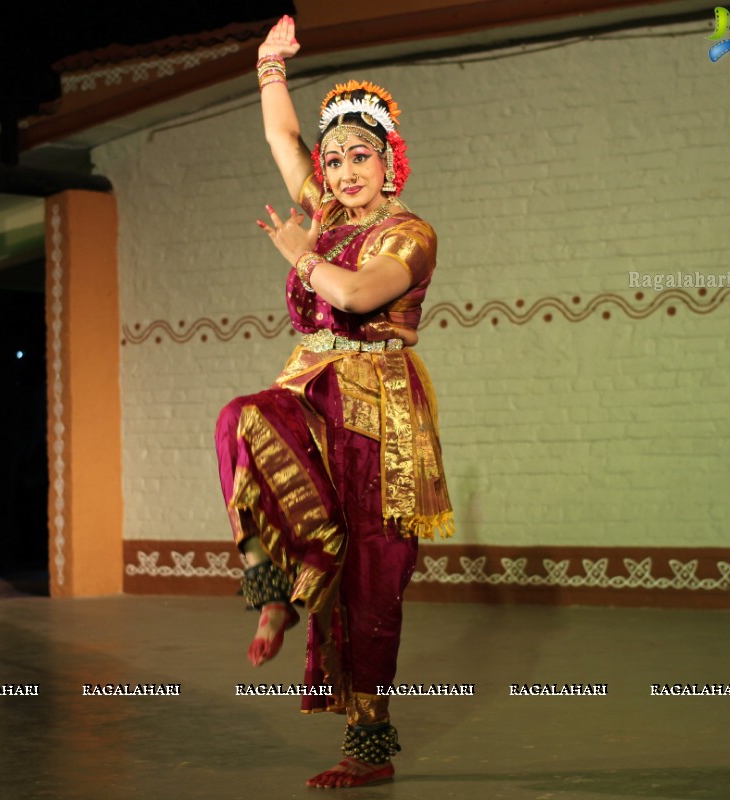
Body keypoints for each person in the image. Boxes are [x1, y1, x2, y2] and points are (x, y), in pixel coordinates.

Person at [214, 14, 453, 789]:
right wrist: (268, 69)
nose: (345, 171)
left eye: (361, 157)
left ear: (391, 163)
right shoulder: (325, 215)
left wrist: (300, 257)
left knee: (371, 579)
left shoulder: (407, 235)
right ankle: (273, 584)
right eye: (337, 159)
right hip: (312, 389)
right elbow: (284, 142)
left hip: (380, 415)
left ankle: (368, 746)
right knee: (240, 421)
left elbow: (354, 293)